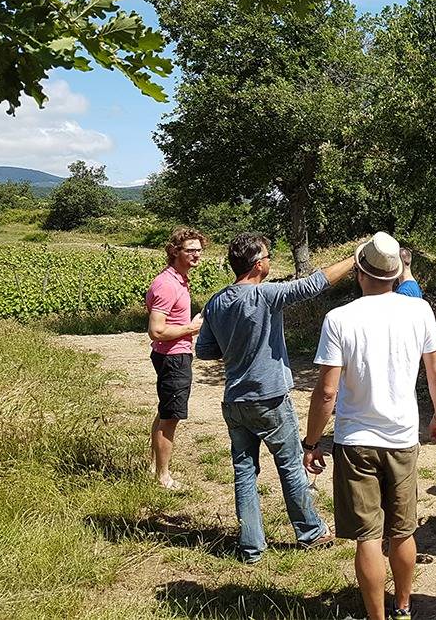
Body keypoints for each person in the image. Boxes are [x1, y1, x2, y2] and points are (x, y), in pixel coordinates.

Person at [303, 231, 436, 620]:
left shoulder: (340, 319)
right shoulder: (419, 311)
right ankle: (403, 606)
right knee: (403, 529)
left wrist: (312, 441)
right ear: (396, 272)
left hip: (355, 440)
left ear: (360, 273)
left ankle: (376, 616)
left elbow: (326, 393)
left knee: (368, 537)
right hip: (402, 436)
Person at [195, 233, 352, 564]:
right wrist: (356, 259)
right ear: (257, 264)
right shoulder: (265, 296)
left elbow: (205, 350)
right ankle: (310, 532)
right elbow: (313, 285)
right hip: (270, 399)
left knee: (244, 471)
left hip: (235, 401)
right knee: (291, 465)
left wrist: (237, 345)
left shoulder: (216, 302)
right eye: (267, 255)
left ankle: (251, 548)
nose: (270, 260)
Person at [145, 227, 206, 489]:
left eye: (199, 250)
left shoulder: (179, 279)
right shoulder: (167, 284)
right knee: (171, 417)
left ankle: (154, 467)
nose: (196, 255)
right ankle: (163, 477)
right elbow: (156, 330)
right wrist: (192, 328)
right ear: (175, 251)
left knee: (165, 412)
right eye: (190, 250)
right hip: (173, 357)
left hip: (175, 355)